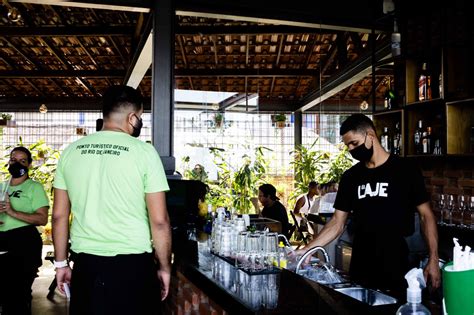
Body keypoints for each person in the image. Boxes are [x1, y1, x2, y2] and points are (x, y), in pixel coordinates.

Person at [52, 85, 171, 315]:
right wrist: (164, 267)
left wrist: (60, 264)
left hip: (87, 267)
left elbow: (58, 216)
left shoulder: (71, 152)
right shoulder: (144, 153)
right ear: (132, 117)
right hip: (133, 267)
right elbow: (159, 221)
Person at [296, 114, 440, 297]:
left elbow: (426, 215)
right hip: (361, 263)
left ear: (370, 136)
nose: (350, 150)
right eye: (347, 146)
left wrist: (433, 259)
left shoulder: (406, 170)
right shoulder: (350, 177)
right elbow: (337, 223)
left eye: (354, 144)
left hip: (397, 262)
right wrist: (309, 248)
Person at [0, 147, 49, 315]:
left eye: (22, 161)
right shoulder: (2, 186)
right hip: (2, 242)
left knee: (17, 295)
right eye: (14, 160)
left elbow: (42, 219)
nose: (17, 164)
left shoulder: (34, 187)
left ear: (29, 164)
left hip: (24, 244)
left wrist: (12, 212)